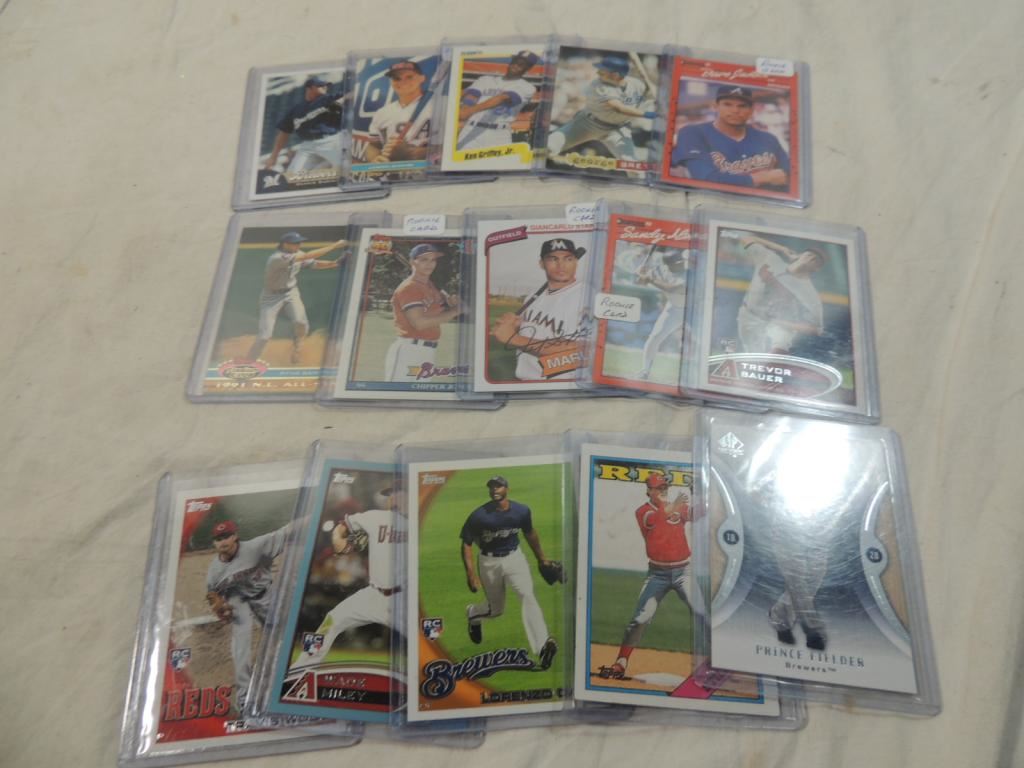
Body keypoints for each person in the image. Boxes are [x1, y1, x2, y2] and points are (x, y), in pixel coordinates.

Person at [598, 473, 696, 680]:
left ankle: (717, 663)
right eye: (658, 488)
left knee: (701, 612)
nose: (663, 490)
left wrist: (700, 494)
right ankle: (621, 662)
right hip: (657, 575)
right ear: (649, 491)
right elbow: (656, 520)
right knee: (641, 618)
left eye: (664, 487)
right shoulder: (643, 511)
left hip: (683, 571)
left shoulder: (677, 507)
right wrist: (675, 505)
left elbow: (699, 514)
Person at [293, 490, 406, 668]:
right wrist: (339, 542)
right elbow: (341, 527)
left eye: (400, 494)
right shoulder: (374, 517)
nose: (394, 498)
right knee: (332, 619)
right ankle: (300, 669)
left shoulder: (420, 522)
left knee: (428, 641)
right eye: (391, 495)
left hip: (404, 599)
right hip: (374, 593)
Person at [461, 476, 558, 670]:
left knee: (527, 595)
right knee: (496, 610)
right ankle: (473, 614)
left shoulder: (521, 511)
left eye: (498, 486)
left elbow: (530, 534)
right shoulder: (479, 515)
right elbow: (466, 544)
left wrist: (542, 558)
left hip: (515, 558)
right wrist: (471, 574)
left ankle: (542, 647)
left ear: (507, 488)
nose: (494, 490)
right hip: (489, 562)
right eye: (491, 487)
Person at [205, 519, 296, 710]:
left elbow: (287, 531)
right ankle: (244, 696)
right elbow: (212, 594)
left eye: (226, 536)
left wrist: (317, 515)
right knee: (241, 647)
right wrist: (219, 608)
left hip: (265, 594)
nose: (223, 542)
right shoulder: (214, 571)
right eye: (218, 539)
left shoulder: (255, 547)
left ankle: (289, 679)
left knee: (284, 637)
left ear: (235, 536)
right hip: (237, 601)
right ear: (214, 543)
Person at [490, 238, 588, 381]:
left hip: (561, 384)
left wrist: (514, 338)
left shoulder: (587, 297)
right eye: (553, 259)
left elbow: (584, 350)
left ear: (576, 262)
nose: (561, 265)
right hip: (526, 380)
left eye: (568, 259)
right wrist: (516, 326)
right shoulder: (533, 295)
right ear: (541, 264)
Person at [246, 232, 347, 363]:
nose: (299, 244)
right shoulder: (277, 258)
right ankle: (249, 361)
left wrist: (335, 263)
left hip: (291, 293)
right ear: (285, 244)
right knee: (265, 335)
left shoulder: (297, 254)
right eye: (295, 243)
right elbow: (307, 256)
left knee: (301, 323)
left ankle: (297, 348)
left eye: (299, 242)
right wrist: (335, 245)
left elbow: (314, 263)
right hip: (271, 297)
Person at [670, 85, 790, 190]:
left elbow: (789, 174)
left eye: (742, 106)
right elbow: (705, 178)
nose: (735, 110)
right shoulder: (692, 133)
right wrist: (761, 178)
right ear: (715, 106)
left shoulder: (768, 138)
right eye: (727, 104)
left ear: (751, 110)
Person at [726, 231, 825, 355]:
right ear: (799, 255)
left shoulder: (809, 293)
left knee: (777, 352)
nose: (811, 258)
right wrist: (782, 249)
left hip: (778, 325)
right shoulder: (771, 259)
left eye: (816, 260)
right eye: (809, 254)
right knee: (753, 356)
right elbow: (747, 238)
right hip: (749, 315)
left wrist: (782, 323)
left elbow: (816, 329)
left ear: (816, 268)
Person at [547, 55, 655, 160]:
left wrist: (654, 95)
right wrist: (648, 114)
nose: (598, 73)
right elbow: (618, 108)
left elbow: (651, 98)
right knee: (550, 145)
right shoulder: (598, 85)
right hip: (588, 124)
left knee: (630, 163)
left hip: (617, 130)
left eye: (602, 71)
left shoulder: (637, 84)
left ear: (615, 75)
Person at [385, 243, 461, 382]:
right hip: (409, 351)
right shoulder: (409, 288)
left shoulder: (430, 286)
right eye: (424, 259)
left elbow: (436, 311)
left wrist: (449, 304)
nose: (429, 264)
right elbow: (419, 323)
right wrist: (454, 311)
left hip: (428, 352)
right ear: (412, 262)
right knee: (399, 394)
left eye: (433, 260)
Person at [456, 50, 539, 151]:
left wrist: (470, 111)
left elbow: (502, 98)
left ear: (528, 68)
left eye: (522, 64)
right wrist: (465, 108)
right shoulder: (485, 79)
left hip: (499, 135)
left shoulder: (527, 87)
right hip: (472, 129)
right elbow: (471, 95)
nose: (516, 65)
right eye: (515, 61)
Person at [263, 76, 344, 174]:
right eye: (321, 85)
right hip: (308, 145)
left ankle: (325, 165)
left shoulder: (328, 99)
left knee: (347, 168)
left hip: (330, 141)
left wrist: (343, 99)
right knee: (292, 176)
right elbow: (283, 133)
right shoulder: (296, 110)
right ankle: (324, 165)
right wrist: (273, 157)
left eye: (326, 85)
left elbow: (352, 93)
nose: (325, 87)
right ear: (310, 88)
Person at [634, 248, 689, 380]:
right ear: (668, 265)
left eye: (681, 262)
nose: (681, 264)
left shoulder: (688, 273)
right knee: (655, 337)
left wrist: (649, 279)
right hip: (675, 309)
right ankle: (645, 371)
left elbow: (672, 288)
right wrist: (640, 273)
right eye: (677, 263)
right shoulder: (660, 270)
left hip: (696, 310)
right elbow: (639, 282)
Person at [365, 60, 431, 163]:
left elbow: (450, 146)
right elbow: (373, 146)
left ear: (422, 78)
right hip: (391, 170)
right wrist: (374, 159)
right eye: (397, 78)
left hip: (429, 170)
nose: (403, 81)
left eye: (409, 77)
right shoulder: (382, 113)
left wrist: (411, 153)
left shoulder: (440, 104)